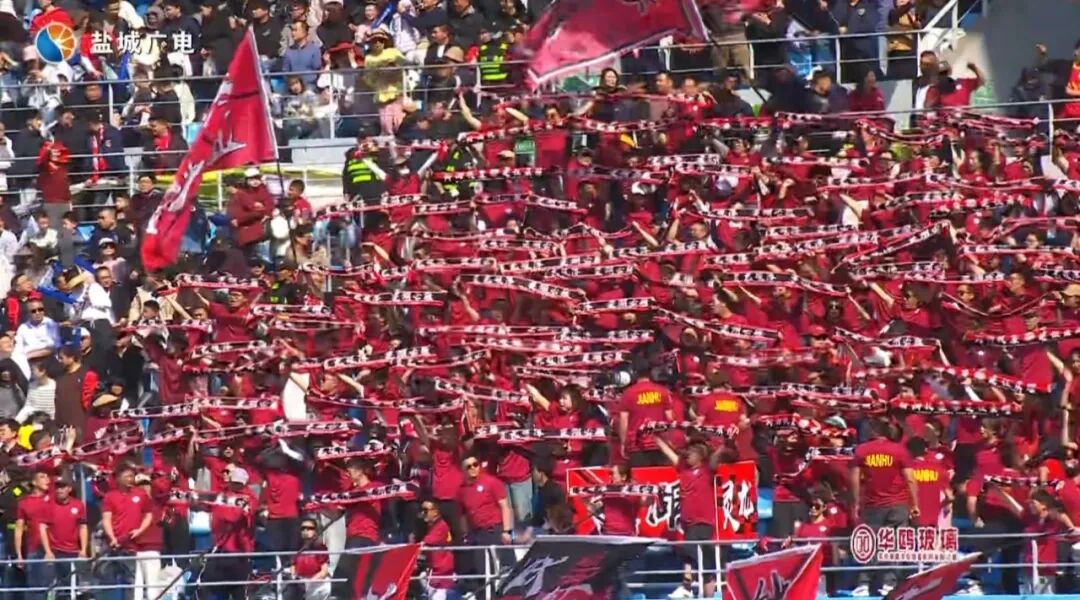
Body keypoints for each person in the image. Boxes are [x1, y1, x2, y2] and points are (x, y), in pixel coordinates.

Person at [850, 418, 919, 596]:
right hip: (898, 504)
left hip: (872, 504)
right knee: (893, 543)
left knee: (870, 543)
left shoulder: (862, 450)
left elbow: (855, 479)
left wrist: (856, 502)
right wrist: (914, 504)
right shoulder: (900, 450)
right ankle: (889, 583)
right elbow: (910, 479)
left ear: (873, 430)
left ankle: (864, 584)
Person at [101, 463, 153, 600]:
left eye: (132, 476)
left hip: (131, 546)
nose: (130, 479)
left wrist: (140, 530)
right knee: (107, 580)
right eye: (127, 476)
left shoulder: (141, 494)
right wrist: (112, 538)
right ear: (118, 478)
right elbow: (106, 519)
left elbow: (149, 515)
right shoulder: (110, 496)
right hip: (112, 545)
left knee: (131, 581)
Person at [39, 476, 88, 598]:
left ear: (69, 489)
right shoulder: (48, 505)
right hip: (55, 552)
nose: (59, 490)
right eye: (57, 487)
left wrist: (83, 549)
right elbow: (43, 528)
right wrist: (48, 551)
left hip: (73, 552)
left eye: (62, 487)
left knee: (72, 585)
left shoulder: (78, 505)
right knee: (53, 586)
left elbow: (83, 527)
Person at [15, 469, 52, 600]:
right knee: (36, 589)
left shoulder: (54, 498)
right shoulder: (24, 503)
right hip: (34, 550)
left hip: (56, 548)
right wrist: (19, 555)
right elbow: (19, 529)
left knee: (57, 589)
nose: (47, 479)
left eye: (47, 476)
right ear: (34, 482)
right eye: (42, 477)